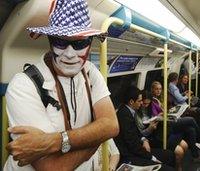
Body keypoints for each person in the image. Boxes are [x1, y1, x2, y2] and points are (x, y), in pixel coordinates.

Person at [4, 0, 119, 170]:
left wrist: (55, 141)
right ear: (50, 41)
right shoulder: (23, 86)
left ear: (90, 43)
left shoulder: (90, 71)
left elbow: (111, 125)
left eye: (80, 43)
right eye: (60, 42)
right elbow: (53, 167)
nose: (70, 54)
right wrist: (97, 136)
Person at [114, 86, 175, 171]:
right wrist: (151, 157)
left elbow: (136, 132)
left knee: (170, 155)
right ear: (131, 101)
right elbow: (132, 144)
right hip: (130, 155)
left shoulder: (130, 111)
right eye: (139, 101)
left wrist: (144, 139)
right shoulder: (124, 115)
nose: (141, 103)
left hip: (138, 148)